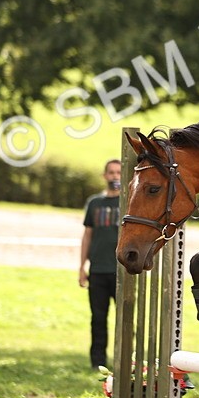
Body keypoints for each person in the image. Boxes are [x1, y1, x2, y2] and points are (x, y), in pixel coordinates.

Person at [80, 159, 121, 370]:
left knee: (124, 320)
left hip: (121, 273)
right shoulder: (95, 203)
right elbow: (87, 235)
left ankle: (125, 360)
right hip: (97, 271)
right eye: (111, 172)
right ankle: (98, 362)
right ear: (105, 176)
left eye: (118, 173)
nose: (114, 176)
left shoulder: (128, 202)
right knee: (98, 318)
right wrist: (82, 267)